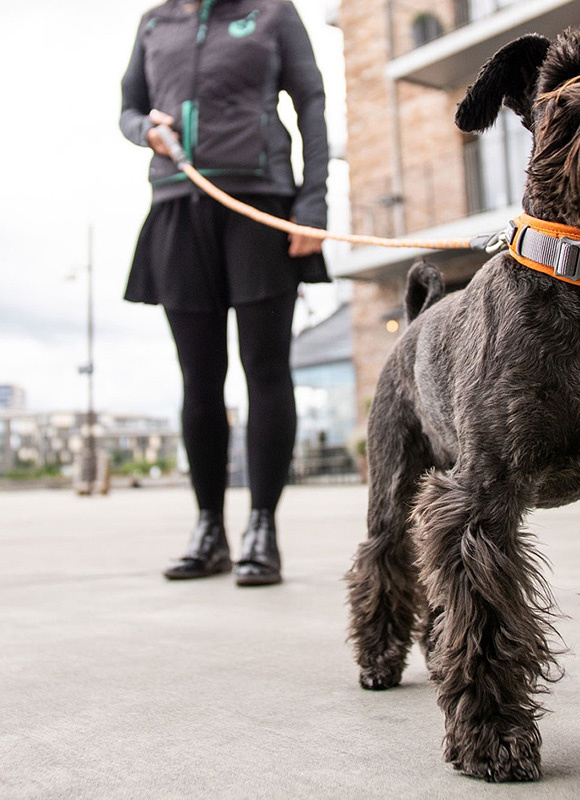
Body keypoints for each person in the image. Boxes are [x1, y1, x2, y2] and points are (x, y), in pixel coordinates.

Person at [119, 0, 329, 586]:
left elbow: (310, 99)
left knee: (265, 369)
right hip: (177, 206)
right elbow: (129, 109)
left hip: (261, 203)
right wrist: (145, 131)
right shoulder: (154, 22)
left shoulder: (271, 12)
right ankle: (208, 528)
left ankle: (263, 528)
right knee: (199, 378)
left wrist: (313, 203)